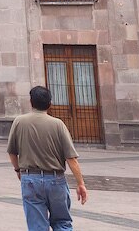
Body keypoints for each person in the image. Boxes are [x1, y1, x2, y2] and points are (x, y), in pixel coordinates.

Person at [6, 86, 89, 231]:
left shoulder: (19, 122)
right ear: (49, 104)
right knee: (62, 222)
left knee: (37, 226)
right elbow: (71, 158)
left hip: (30, 179)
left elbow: (12, 152)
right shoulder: (58, 124)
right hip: (56, 179)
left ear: (31, 102)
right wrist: (80, 183)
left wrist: (18, 170)